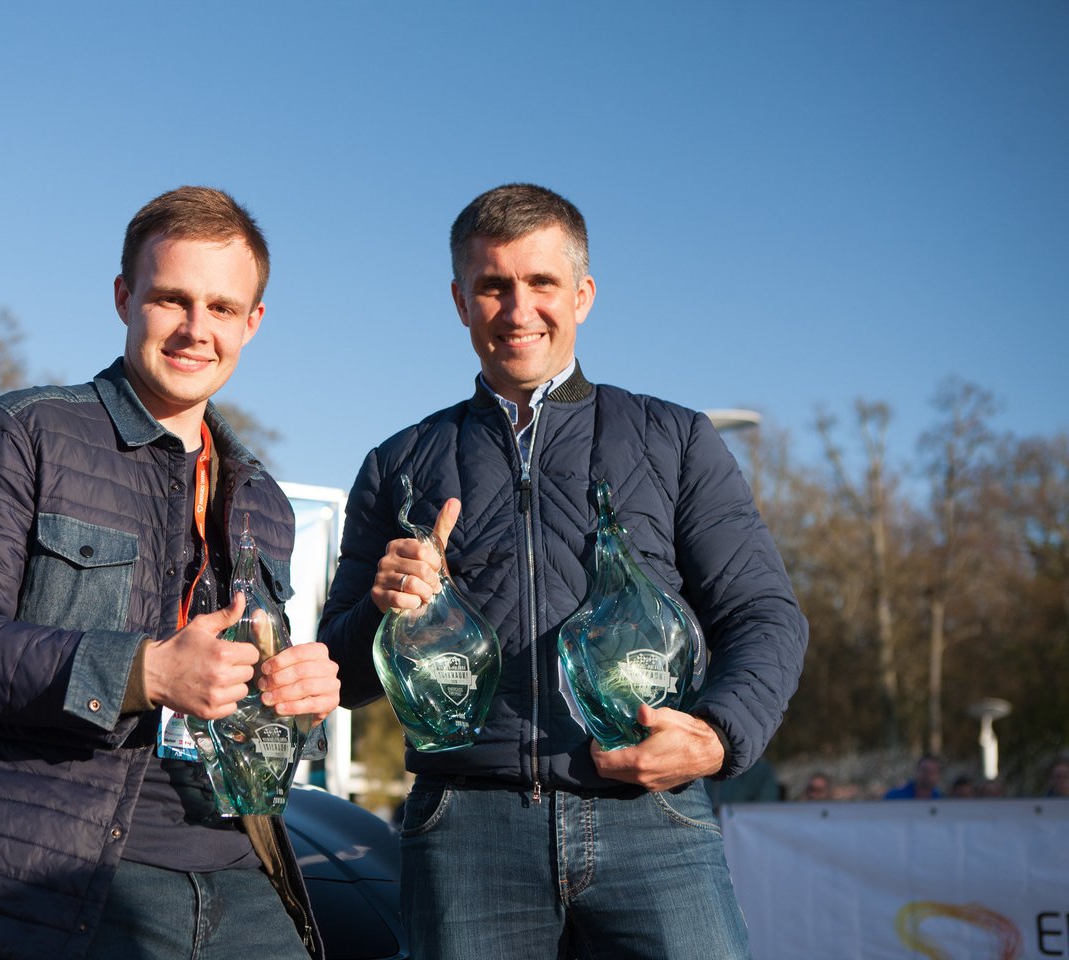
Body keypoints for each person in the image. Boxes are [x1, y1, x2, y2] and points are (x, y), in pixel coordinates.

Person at [318, 183, 809, 960]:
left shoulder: (675, 439)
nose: (519, 310)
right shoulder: (397, 464)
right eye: (493, 285)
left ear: (582, 294)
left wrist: (719, 735)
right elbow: (339, 676)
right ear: (460, 301)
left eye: (541, 282)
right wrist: (385, 609)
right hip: (465, 830)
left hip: (652, 818)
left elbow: (764, 615)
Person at [0, 186, 340, 960]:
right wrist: (144, 673)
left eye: (222, 308)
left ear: (253, 322)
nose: (197, 329)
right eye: (172, 299)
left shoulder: (264, 497)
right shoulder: (22, 432)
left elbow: (248, 716)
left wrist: (298, 701)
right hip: (63, 883)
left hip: (247, 882)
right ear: (126, 297)